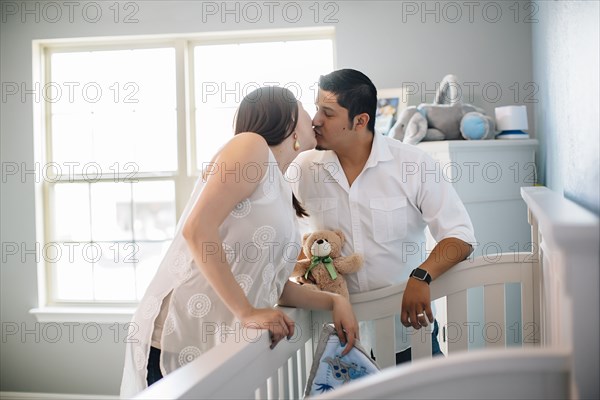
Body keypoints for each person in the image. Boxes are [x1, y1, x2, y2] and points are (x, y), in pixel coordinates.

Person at [120, 86, 358, 398]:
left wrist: (334, 301)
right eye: (304, 108)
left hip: (217, 342)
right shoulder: (251, 145)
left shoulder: (281, 188)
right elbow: (197, 229)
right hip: (177, 332)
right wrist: (247, 312)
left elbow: (273, 283)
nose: (314, 117)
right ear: (287, 120)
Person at [290, 69, 476, 363]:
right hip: (338, 340)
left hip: (408, 333)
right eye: (316, 109)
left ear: (360, 120)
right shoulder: (302, 169)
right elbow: (287, 236)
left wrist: (422, 276)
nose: (315, 120)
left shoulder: (412, 164)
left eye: (328, 112)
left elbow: (461, 236)